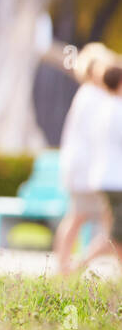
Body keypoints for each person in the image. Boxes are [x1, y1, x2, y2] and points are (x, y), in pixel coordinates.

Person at [54, 43, 116, 275]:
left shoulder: (88, 95)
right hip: (86, 170)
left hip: (84, 169)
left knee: (79, 218)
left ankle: (69, 265)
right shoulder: (94, 96)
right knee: (82, 218)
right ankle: (70, 265)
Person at [67, 62, 122, 274]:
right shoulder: (116, 109)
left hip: (105, 177)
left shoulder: (104, 106)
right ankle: (77, 266)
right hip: (116, 180)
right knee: (115, 236)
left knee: (114, 232)